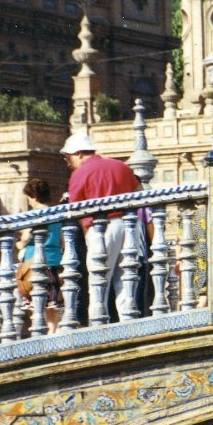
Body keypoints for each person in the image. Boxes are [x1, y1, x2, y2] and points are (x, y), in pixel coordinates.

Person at [61, 131, 145, 321]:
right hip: (130, 226)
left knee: (99, 282)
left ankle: (98, 325)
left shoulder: (79, 173)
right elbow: (140, 193)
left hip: (102, 229)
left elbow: (76, 210)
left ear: (78, 153)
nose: (68, 163)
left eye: (68, 158)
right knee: (126, 279)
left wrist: (87, 234)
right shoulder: (121, 166)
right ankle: (129, 323)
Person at [15, 179, 63, 333]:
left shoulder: (33, 215)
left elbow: (25, 239)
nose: (29, 201)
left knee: (36, 302)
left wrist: (19, 244)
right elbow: (62, 240)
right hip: (54, 261)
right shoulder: (56, 214)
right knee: (52, 304)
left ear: (34, 196)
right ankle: (52, 333)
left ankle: (39, 334)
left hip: (33, 263)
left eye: (29, 197)